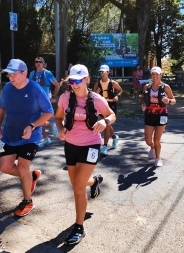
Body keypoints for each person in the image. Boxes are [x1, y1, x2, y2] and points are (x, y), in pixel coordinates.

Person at [54, 64, 116, 245]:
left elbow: (111, 115)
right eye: (72, 80)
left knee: (77, 188)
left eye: (78, 80)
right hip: (71, 145)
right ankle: (95, 181)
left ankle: (79, 227)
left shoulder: (96, 100)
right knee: (77, 183)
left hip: (91, 145)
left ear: (87, 80)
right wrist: (60, 130)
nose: (74, 84)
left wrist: (105, 121)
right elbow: (58, 118)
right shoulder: (65, 98)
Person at [0, 59, 54, 216]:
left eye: (14, 74)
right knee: (4, 167)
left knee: (22, 166)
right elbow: (2, 107)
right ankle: (31, 176)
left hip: (30, 136)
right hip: (10, 133)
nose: (10, 78)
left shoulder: (35, 88)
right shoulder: (7, 88)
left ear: (24, 73)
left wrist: (32, 126)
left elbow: (49, 112)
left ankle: (28, 201)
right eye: (9, 74)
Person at [140, 66, 176, 167]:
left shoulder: (166, 87)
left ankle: (158, 158)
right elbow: (143, 98)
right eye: (153, 74)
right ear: (151, 75)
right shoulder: (147, 86)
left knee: (156, 139)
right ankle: (152, 147)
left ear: (160, 75)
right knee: (148, 140)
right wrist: (143, 105)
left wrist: (168, 101)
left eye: (157, 74)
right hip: (149, 114)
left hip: (162, 114)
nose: (155, 76)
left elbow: (173, 100)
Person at [29, 56, 60, 148]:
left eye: (40, 62)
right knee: (38, 120)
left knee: (40, 120)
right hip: (34, 101)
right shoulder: (32, 74)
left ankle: (46, 137)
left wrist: (53, 97)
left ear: (44, 64)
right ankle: (50, 130)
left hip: (44, 101)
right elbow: (29, 87)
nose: (38, 63)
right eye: (36, 62)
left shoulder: (47, 74)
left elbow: (57, 85)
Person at [93, 64, 122, 155]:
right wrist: (96, 93)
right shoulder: (97, 83)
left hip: (111, 104)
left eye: (104, 72)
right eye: (101, 72)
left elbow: (121, 90)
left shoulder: (113, 83)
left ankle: (105, 146)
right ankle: (114, 137)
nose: (102, 74)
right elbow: (92, 94)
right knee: (107, 124)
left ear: (108, 72)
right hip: (101, 104)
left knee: (106, 124)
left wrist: (117, 96)